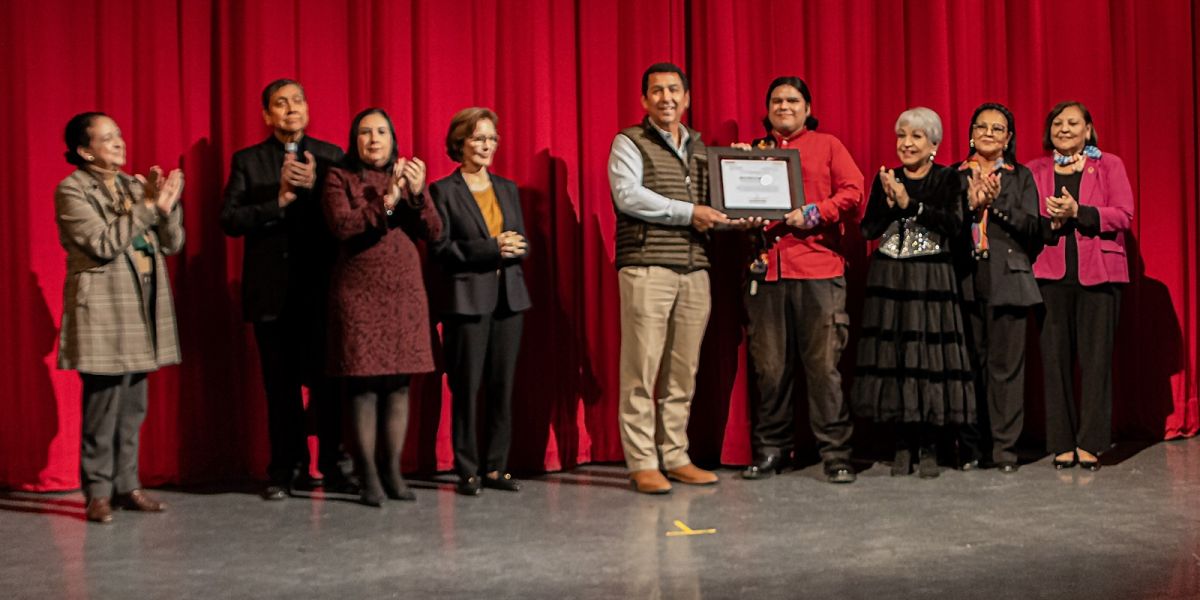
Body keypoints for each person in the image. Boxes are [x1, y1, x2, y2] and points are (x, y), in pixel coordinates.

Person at [220, 79, 350, 500]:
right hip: (271, 294)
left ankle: (333, 465)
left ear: (308, 109)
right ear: (267, 116)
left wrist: (313, 191)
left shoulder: (332, 157)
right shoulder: (248, 161)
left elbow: (346, 220)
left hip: (322, 291)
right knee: (280, 387)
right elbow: (230, 220)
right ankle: (285, 468)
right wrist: (278, 200)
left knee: (330, 384)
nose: (291, 109)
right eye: (281, 103)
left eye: (298, 101)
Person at [55, 112, 184, 523]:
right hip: (104, 308)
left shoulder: (133, 185)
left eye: (119, 135)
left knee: (133, 405)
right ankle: (97, 491)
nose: (118, 142)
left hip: (142, 303)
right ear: (83, 149)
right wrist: (148, 208)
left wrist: (167, 208)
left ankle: (127, 485)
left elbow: (173, 243)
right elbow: (102, 242)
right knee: (103, 403)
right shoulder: (72, 190)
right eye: (106, 137)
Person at [608, 63, 730, 494]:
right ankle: (642, 460)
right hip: (646, 266)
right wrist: (688, 213)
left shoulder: (701, 147)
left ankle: (675, 455)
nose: (666, 98)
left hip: (695, 267)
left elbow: (718, 202)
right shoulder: (629, 141)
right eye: (657, 91)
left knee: (683, 370)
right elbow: (628, 195)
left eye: (674, 90)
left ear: (687, 98)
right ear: (644, 100)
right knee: (641, 369)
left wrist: (749, 201)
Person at [738, 76, 864, 484]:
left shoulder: (828, 145)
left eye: (793, 100)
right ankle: (772, 450)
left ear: (808, 107)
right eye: (776, 100)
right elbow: (734, 199)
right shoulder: (752, 154)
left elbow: (854, 191)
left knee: (824, 367)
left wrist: (815, 213)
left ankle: (836, 454)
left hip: (819, 271)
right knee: (770, 369)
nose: (784, 106)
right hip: (767, 270)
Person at [321, 108, 442, 506]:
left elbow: (434, 232)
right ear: (354, 140)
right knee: (363, 385)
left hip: (404, 291)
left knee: (398, 384)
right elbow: (342, 227)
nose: (374, 139)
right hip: (358, 290)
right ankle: (367, 473)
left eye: (382, 132)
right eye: (365, 132)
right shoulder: (339, 178)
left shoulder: (408, 177)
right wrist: (387, 202)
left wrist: (418, 192)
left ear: (393, 139)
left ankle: (392, 469)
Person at [853, 107, 974, 479]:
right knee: (897, 359)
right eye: (902, 135)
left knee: (929, 361)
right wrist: (890, 207)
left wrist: (912, 206)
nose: (906, 143)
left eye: (916, 136)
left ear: (934, 144)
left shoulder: (948, 178)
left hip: (931, 277)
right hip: (890, 277)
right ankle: (902, 443)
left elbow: (955, 225)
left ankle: (931, 445)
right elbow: (868, 230)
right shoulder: (886, 177)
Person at [429, 108, 531, 496]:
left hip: (510, 298)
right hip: (467, 301)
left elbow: (520, 239)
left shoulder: (507, 187)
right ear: (460, 143)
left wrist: (516, 246)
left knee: (502, 386)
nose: (487, 145)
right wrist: (492, 248)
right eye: (478, 138)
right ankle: (467, 468)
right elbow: (442, 248)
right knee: (467, 386)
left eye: (491, 138)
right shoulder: (443, 191)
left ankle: (496, 467)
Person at [1030, 101, 1133, 471]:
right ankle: (1061, 443)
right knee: (1054, 363)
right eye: (1058, 123)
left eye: (1073, 123)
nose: (1065, 128)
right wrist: (1051, 223)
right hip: (1051, 277)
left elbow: (1123, 215)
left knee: (1096, 362)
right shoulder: (1035, 169)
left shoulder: (1109, 165)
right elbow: (1028, 221)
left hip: (1101, 275)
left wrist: (1080, 213)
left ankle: (1091, 442)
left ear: (1088, 129)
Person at [952, 102, 1043, 473]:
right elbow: (942, 227)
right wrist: (969, 205)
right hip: (964, 278)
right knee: (969, 366)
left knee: (1006, 369)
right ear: (971, 133)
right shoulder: (953, 176)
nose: (988, 134)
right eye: (982, 127)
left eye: (997, 128)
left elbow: (1036, 231)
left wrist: (996, 206)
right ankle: (973, 447)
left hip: (1009, 279)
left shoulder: (1021, 177)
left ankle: (1005, 451)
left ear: (1008, 138)